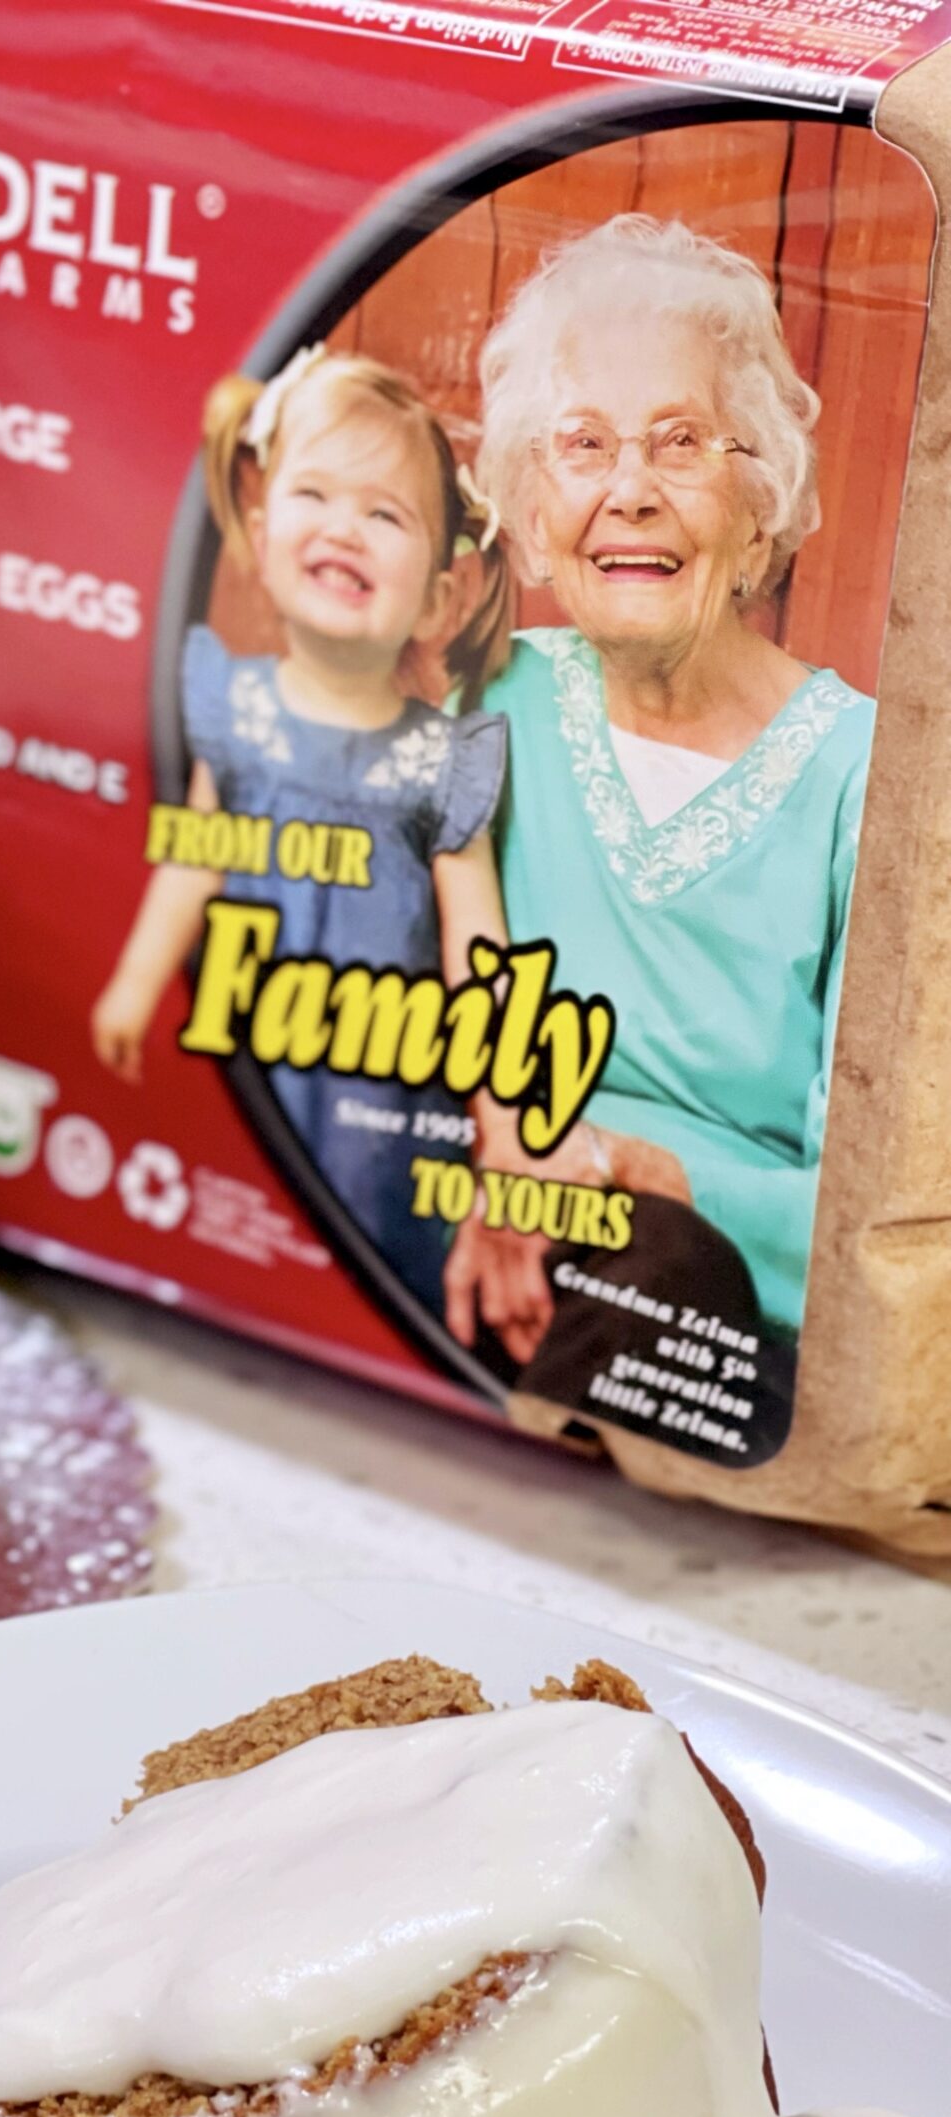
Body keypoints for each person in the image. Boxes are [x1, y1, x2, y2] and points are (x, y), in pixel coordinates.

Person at [448, 215, 870, 1425]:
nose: (628, 490)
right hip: (483, 1216)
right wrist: (509, 1168)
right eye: (582, 445)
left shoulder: (869, 780)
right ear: (533, 500)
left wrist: (627, 1171)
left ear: (758, 495)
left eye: (680, 442)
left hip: (718, 1295)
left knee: (664, 1270)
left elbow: (873, 1204)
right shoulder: (487, 702)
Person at [91, 345, 512, 1312]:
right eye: (315, 495)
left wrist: (501, 1111)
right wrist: (134, 982)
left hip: (380, 1078)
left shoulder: (441, 761)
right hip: (248, 1039)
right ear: (260, 527)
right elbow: (194, 859)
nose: (344, 529)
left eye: (384, 513)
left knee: (369, 1231)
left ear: (438, 597)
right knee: (239, 1199)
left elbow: (476, 946)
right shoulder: (233, 710)